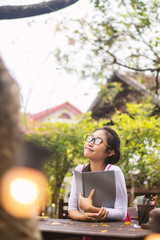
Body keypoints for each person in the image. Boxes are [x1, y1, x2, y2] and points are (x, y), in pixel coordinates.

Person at [68, 127, 128, 222]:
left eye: (98, 141)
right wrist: (82, 216)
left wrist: (91, 209)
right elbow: (72, 209)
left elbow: (121, 214)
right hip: (88, 229)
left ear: (110, 152)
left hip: (114, 232)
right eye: (91, 138)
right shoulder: (79, 170)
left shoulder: (115, 171)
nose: (90, 143)